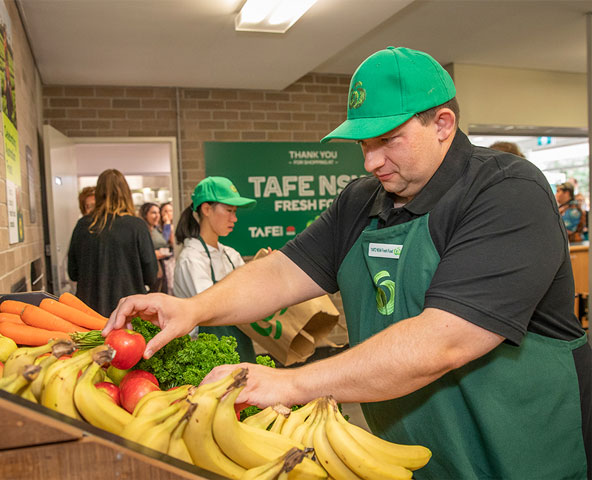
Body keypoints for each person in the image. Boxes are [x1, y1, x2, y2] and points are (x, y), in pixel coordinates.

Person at [103, 47, 591, 479]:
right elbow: (283, 271)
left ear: (442, 124)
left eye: (387, 139)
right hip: (406, 456)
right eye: (363, 144)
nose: (370, 161)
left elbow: (446, 340)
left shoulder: (506, 191)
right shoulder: (361, 200)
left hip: (520, 455)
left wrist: (291, 383)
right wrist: (194, 309)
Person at [172, 177, 258, 362]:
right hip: (207, 357)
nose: (234, 218)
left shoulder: (230, 254)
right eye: (228, 210)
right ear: (206, 209)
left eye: (235, 212)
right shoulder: (191, 259)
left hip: (241, 350)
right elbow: (212, 309)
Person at [68, 169, 158, 317]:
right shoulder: (137, 226)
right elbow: (151, 275)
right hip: (129, 312)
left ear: (98, 194)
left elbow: (73, 273)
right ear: (126, 193)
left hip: (88, 312)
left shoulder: (83, 225)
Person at [140, 202, 173, 293]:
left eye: (158, 213)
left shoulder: (157, 229)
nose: (157, 216)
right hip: (151, 270)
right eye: (153, 213)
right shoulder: (143, 231)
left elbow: (165, 241)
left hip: (163, 267)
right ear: (145, 214)